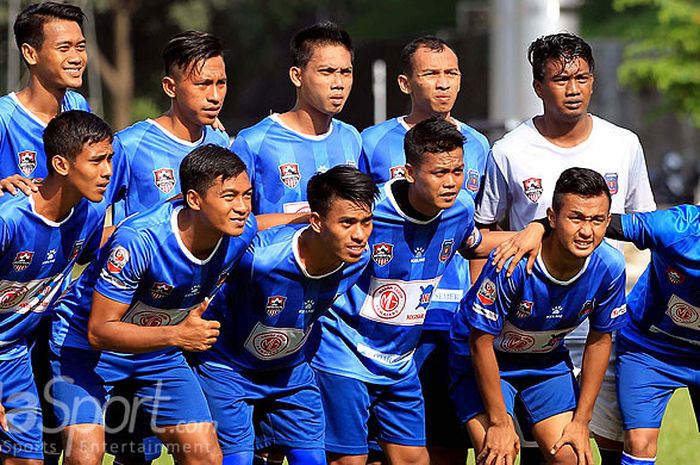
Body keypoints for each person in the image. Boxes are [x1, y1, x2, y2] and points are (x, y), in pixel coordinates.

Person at [310, 117, 541, 465]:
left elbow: (473, 244)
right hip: (344, 353)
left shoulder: (460, 208)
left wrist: (536, 231)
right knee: (350, 461)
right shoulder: (370, 213)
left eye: (458, 171)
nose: (451, 183)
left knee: (415, 459)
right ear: (409, 172)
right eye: (439, 173)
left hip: (400, 359)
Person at [475, 32, 655, 464]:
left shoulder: (624, 144)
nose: (572, 89)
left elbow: (644, 227)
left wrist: (556, 229)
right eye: (559, 79)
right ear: (538, 86)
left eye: (582, 78)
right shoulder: (509, 152)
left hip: (602, 324)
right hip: (526, 332)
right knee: (544, 450)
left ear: (593, 81)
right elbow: (481, 235)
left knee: (612, 443)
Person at [48, 144, 256, 465]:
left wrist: (310, 220)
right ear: (194, 200)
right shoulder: (140, 240)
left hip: (156, 352)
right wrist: (178, 336)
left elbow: (268, 224)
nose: (242, 207)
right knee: (85, 453)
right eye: (229, 197)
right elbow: (99, 332)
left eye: (247, 195)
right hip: (84, 347)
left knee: (206, 456)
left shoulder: (241, 232)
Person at [359, 35, 489, 464]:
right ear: (404, 82)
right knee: (385, 447)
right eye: (431, 74)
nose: (443, 83)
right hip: (386, 318)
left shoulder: (479, 145)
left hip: (450, 318)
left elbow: (478, 238)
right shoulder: (373, 141)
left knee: (449, 442)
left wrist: (476, 309)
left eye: (451, 73)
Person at [194, 166, 378, 465]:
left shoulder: (359, 259)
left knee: (312, 460)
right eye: (347, 223)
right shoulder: (260, 258)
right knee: (236, 461)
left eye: (366, 222)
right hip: (227, 369)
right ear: (315, 221)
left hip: (291, 372)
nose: (359, 235)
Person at [451, 167, 628, 465]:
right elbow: (479, 341)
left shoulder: (610, 266)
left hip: (544, 362)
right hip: (484, 358)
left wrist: (581, 422)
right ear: (553, 218)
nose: (587, 231)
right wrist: (498, 422)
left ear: (608, 222)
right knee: (498, 456)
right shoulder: (513, 263)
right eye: (576, 218)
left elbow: (600, 339)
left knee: (572, 457)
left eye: (597, 220)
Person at [0, 110, 112, 465]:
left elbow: (101, 254)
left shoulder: (91, 214)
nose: (107, 171)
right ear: (61, 164)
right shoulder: (10, 220)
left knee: (28, 458)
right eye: (96, 161)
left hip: (19, 353)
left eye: (109, 159)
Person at [600, 206, 700, 465]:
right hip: (650, 349)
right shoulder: (675, 227)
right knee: (639, 444)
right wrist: (540, 227)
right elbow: (599, 221)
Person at [232, 21, 360, 215]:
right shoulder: (253, 142)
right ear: (297, 76)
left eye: (346, 72)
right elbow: (232, 224)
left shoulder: (352, 138)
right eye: (327, 72)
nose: (338, 83)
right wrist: (305, 221)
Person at [109, 30, 230, 222]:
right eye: (203, 84)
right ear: (170, 87)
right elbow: (90, 223)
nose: (215, 96)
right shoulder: (129, 145)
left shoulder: (220, 140)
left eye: (221, 83)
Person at [0, 2, 90, 182]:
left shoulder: (78, 106)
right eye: (64, 48)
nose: (76, 58)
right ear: (30, 54)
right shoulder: (4, 118)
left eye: (80, 47)